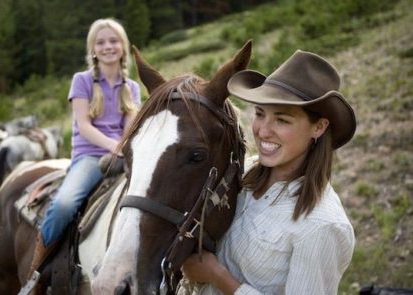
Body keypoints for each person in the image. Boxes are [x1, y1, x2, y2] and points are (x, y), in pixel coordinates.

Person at [179, 50, 356, 295]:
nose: (263, 131)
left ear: (319, 127)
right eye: (260, 114)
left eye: (282, 120)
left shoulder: (323, 225)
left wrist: (217, 276)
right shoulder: (245, 171)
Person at [27, 18, 141, 281]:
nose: (107, 46)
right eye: (100, 42)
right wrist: (115, 146)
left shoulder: (131, 87)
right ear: (93, 49)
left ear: (123, 47)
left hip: (120, 155)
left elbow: (129, 127)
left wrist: (124, 147)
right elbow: (84, 125)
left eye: (113, 41)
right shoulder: (82, 81)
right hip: (90, 155)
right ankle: (36, 268)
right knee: (65, 204)